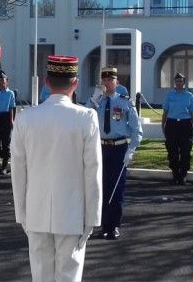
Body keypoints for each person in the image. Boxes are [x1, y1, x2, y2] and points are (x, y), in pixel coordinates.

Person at [11, 55, 101, 282]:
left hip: (36, 211)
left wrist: (22, 214)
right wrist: (92, 217)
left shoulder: (25, 118)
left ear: (46, 82)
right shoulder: (86, 117)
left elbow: (18, 172)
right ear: (75, 83)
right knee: (68, 275)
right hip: (73, 212)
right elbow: (93, 172)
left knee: (40, 276)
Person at [93, 66, 141, 240]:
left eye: (110, 80)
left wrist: (131, 150)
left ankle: (113, 226)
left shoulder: (124, 102)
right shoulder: (96, 102)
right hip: (100, 148)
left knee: (116, 188)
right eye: (104, 80)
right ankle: (104, 225)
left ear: (117, 82)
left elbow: (137, 130)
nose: (107, 83)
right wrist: (93, 99)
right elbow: (83, 118)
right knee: (101, 187)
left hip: (119, 148)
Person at [162, 72, 193, 185]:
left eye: (181, 81)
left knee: (185, 151)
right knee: (172, 151)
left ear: (184, 82)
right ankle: (175, 175)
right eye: (177, 81)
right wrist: (163, 125)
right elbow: (165, 111)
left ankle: (183, 175)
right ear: (174, 82)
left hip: (185, 125)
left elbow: (192, 114)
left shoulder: (189, 96)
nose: (178, 83)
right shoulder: (169, 95)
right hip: (172, 124)